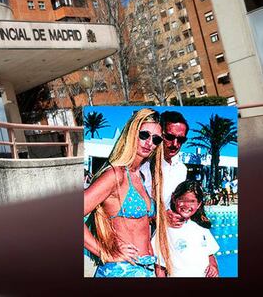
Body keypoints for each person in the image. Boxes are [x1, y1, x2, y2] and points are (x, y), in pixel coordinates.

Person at [84, 108, 171, 277]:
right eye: (144, 135)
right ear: (132, 133)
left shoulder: (140, 176)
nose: (149, 143)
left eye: (156, 139)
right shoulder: (116, 175)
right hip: (122, 270)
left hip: (145, 268)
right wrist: (104, 252)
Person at [152, 180, 219, 277]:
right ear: (174, 199)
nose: (187, 205)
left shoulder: (201, 228)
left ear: (199, 204)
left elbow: (210, 254)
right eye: (182, 200)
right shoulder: (165, 230)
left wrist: (213, 266)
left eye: (192, 201)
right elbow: (159, 266)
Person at [140, 111, 189, 227]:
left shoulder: (181, 170)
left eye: (181, 140)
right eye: (170, 137)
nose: (175, 144)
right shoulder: (143, 164)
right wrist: (159, 217)